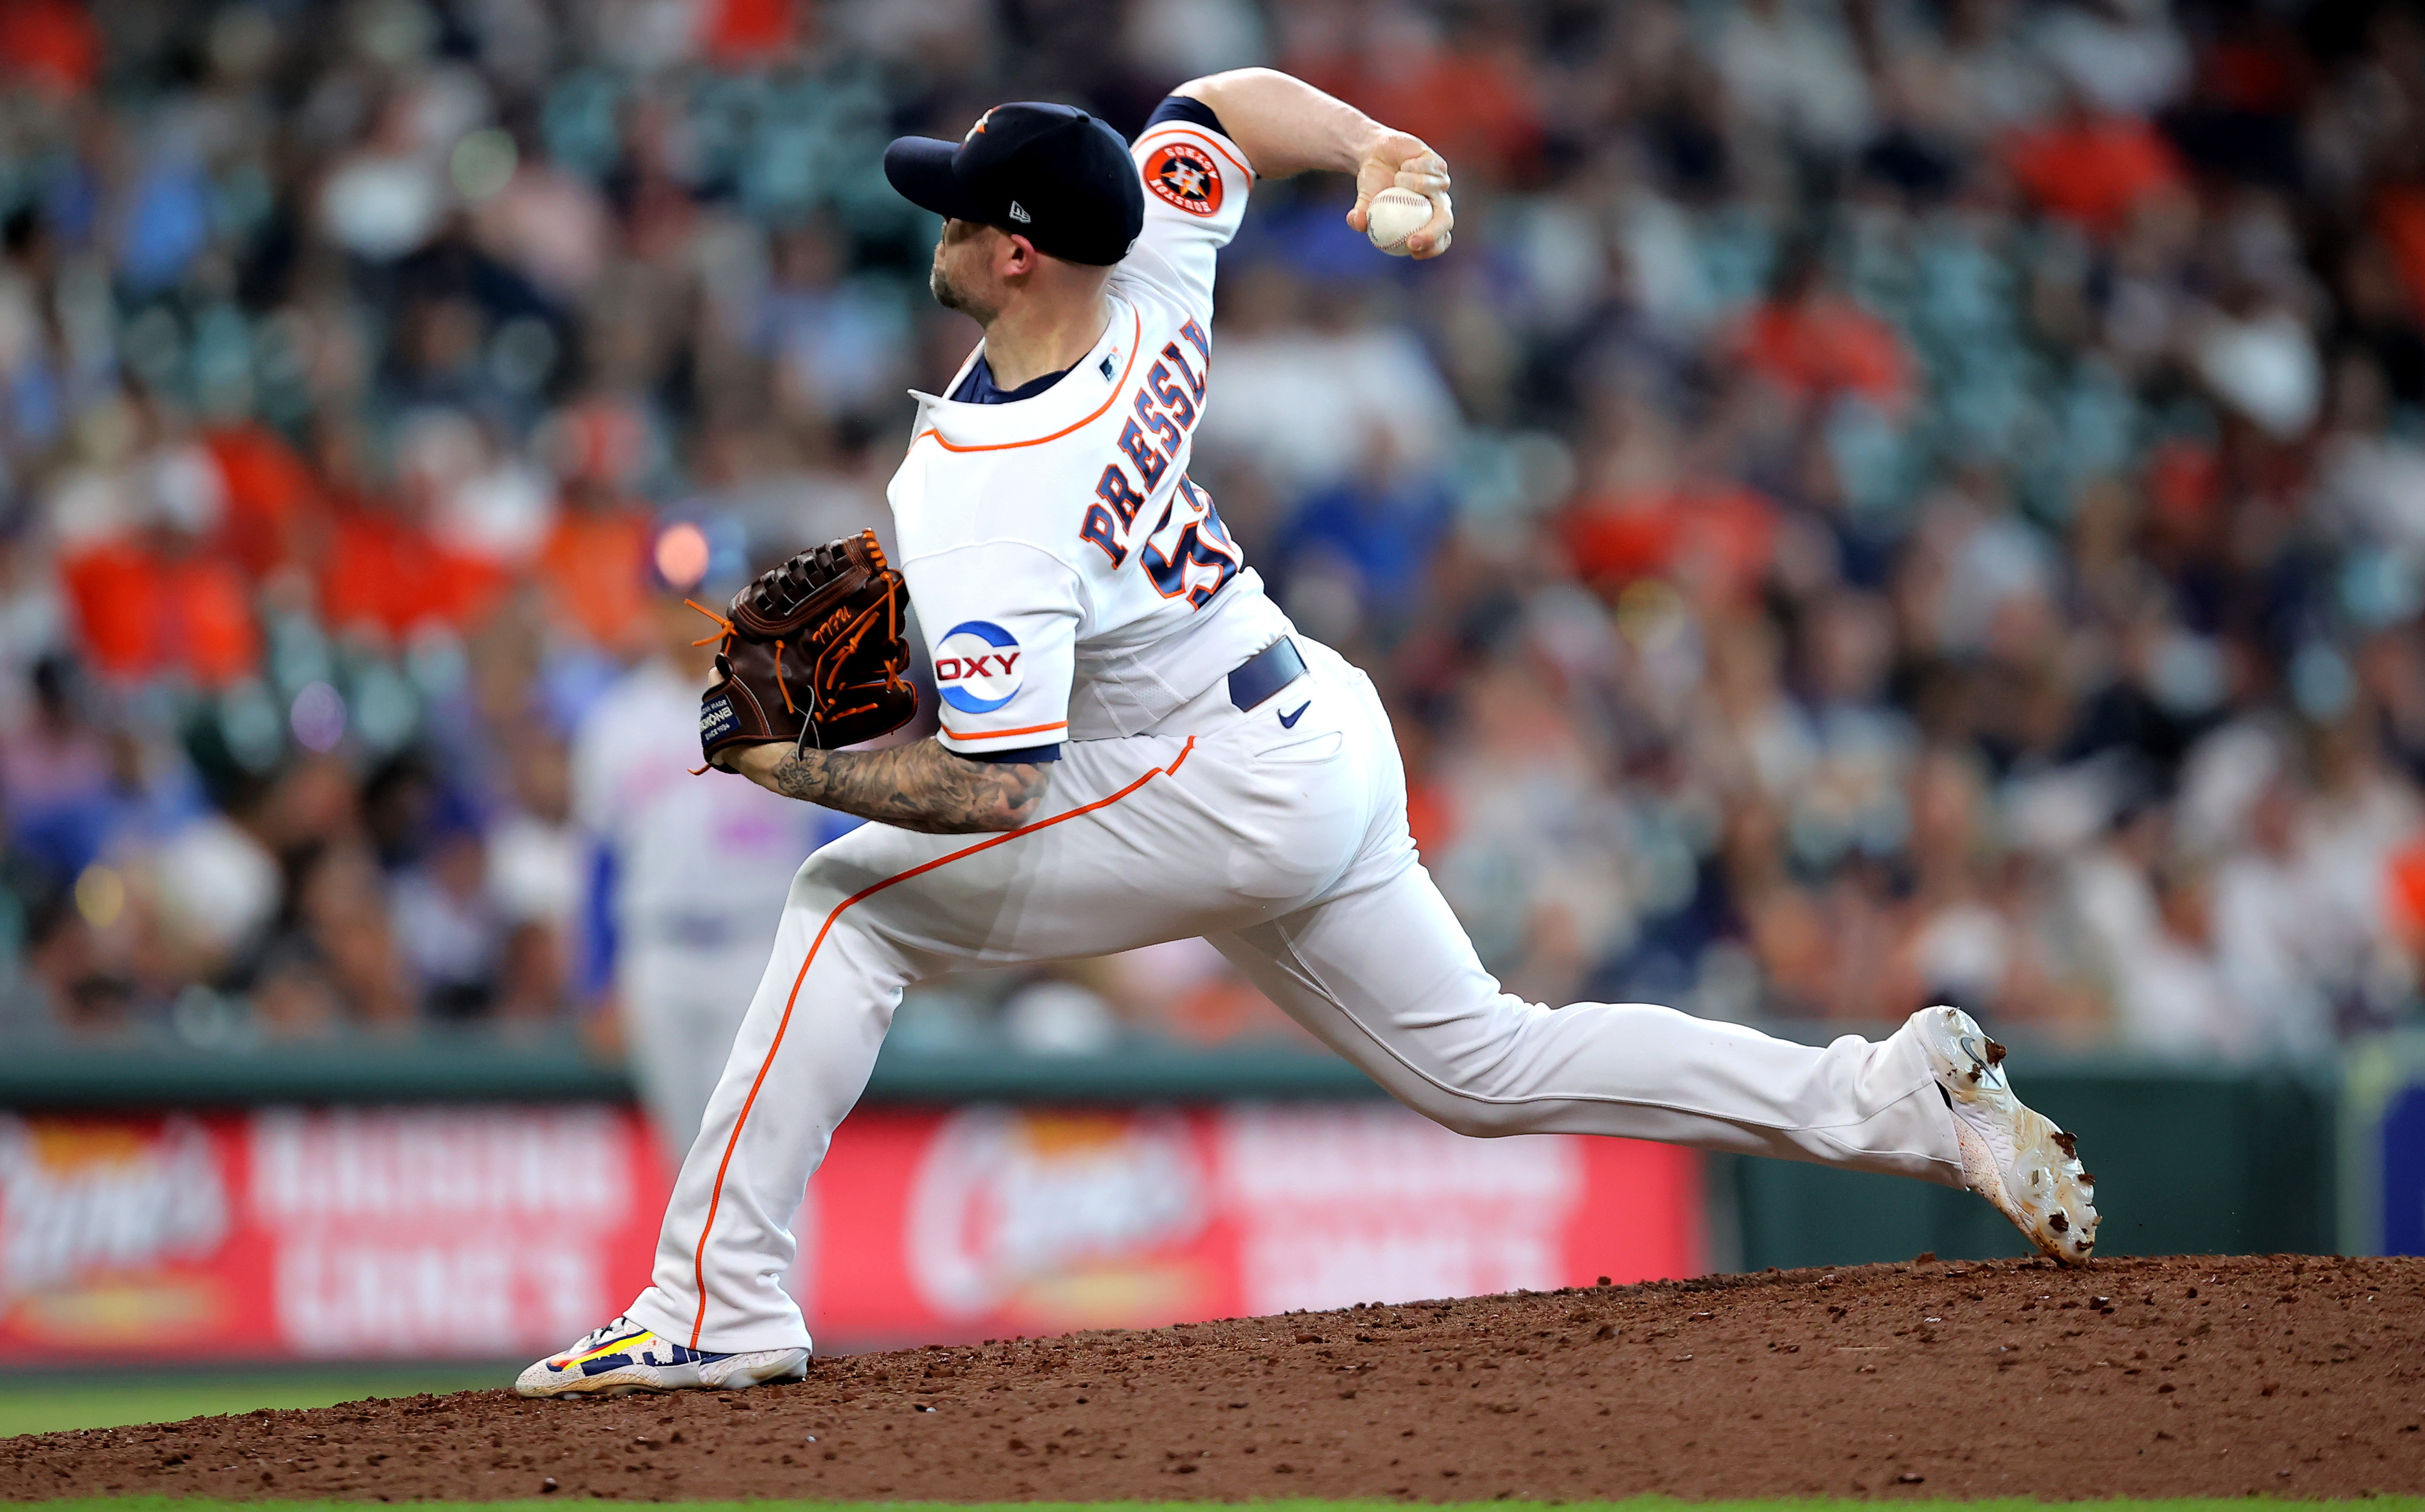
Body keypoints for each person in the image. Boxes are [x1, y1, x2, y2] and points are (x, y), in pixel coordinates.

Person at [516, 71, 2098, 1398]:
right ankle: (1896, 1100)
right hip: (1304, 722)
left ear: (1013, 256)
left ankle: (715, 1305)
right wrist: (1372, 145)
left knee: (843, 901)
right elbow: (1221, 105)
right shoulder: (1144, 269)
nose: (934, 224)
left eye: (955, 209)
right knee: (1485, 1064)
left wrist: (798, 769)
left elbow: (995, 780)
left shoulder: (987, 494)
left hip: (1217, 775)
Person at [572, 615, 854, 1160]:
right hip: (658, 950)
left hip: (760, 944)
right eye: (673, 600)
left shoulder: (789, 700)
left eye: (704, 597)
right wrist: (597, 978)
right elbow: (601, 858)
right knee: (686, 1156)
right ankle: (698, 1250)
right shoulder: (618, 719)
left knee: (773, 1143)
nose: (688, 616)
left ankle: (785, 1250)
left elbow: (837, 828)